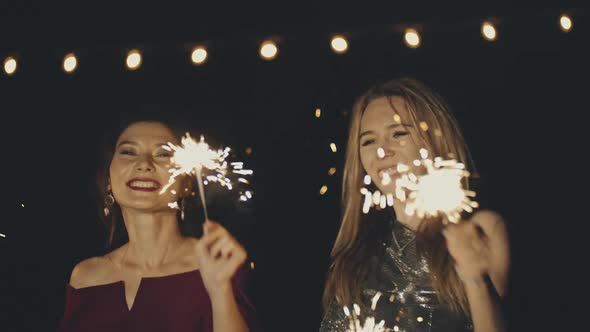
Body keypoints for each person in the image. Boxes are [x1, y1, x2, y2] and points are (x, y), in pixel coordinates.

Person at [320, 78, 510, 332]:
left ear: (432, 141)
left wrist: (475, 280)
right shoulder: (356, 252)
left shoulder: (480, 228)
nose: (382, 152)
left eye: (398, 134)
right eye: (368, 141)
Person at [57, 113, 258, 332]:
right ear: (108, 179)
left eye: (163, 154)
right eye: (128, 152)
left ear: (187, 184)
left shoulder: (219, 264)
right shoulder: (85, 276)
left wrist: (220, 291)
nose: (144, 164)